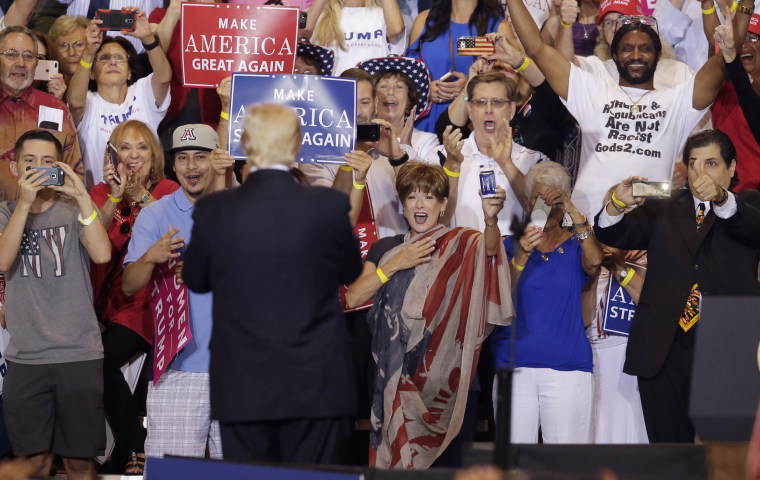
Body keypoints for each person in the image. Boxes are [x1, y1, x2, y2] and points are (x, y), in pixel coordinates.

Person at [182, 104, 363, 465]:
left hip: (242, 386)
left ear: (245, 145)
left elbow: (195, 281)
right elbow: (349, 270)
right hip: (318, 384)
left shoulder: (215, 209)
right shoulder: (329, 205)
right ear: (296, 147)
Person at [595, 129, 760, 442]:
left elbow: (751, 227)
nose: (701, 173)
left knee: (724, 454)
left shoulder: (749, 204)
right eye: (694, 164)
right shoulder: (665, 206)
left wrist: (722, 199)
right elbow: (612, 235)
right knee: (668, 453)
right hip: (664, 348)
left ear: (732, 167)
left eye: (711, 164)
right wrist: (618, 202)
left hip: (727, 347)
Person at [345, 162, 513, 468]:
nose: (420, 204)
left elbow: (489, 251)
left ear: (443, 204)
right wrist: (396, 263)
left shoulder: (463, 242)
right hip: (397, 382)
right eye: (412, 197)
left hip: (450, 387)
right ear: (402, 203)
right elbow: (354, 296)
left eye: (428, 197)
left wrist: (491, 221)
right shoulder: (387, 248)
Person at [506, 0, 737, 219]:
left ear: (657, 55)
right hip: (587, 221)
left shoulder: (675, 97)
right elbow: (536, 49)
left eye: (644, 48)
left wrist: (736, 16)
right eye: (627, 48)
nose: (636, 55)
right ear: (615, 55)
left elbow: (721, 60)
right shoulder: (592, 87)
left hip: (650, 224)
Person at [0, 129, 111, 480]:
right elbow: (2, 262)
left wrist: (82, 198)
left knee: (79, 464)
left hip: (78, 353)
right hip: (26, 357)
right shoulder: (5, 212)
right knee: (33, 465)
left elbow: (102, 254)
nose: (38, 168)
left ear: (60, 167)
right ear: (15, 167)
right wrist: (24, 203)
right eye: (29, 161)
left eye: (48, 162)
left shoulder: (75, 210)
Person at [121, 123, 223, 464]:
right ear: (173, 164)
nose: (192, 167)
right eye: (183, 158)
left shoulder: (240, 210)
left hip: (239, 369)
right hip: (177, 369)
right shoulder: (155, 213)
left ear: (217, 160)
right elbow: (130, 284)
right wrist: (151, 256)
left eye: (200, 157)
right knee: (173, 475)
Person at [88, 119, 179, 474]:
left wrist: (140, 194)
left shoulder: (170, 188)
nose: (133, 156)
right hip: (110, 301)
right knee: (98, 363)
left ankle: (134, 449)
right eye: (124, 148)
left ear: (154, 158)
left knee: (112, 362)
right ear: (112, 157)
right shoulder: (99, 193)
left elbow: (174, 228)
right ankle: (127, 449)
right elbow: (92, 240)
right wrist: (115, 195)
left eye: (142, 148)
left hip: (155, 298)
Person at [491, 161, 602, 444]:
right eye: (541, 199)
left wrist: (574, 212)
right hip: (513, 370)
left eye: (555, 200)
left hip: (568, 371)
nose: (548, 207)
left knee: (565, 469)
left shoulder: (578, 246)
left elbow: (595, 263)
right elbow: (500, 300)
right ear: (528, 203)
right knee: (512, 467)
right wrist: (522, 257)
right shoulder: (508, 246)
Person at [68, 9, 171, 189]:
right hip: (101, 200)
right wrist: (88, 53)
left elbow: (163, 77)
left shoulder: (141, 92)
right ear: (91, 73)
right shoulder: (89, 102)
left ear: (130, 71)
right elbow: (75, 104)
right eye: (104, 58)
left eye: (119, 58)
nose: (112, 62)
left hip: (147, 195)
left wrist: (147, 38)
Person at [447, 71, 545, 235]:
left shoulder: (536, 161)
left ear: (511, 109)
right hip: (461, 257)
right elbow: (434, 223)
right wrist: (452, 166)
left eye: (497, 102)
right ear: (470, 110)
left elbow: (543, 217)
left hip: (515, 259)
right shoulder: (446, 157)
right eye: (481, 102)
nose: (489, 110)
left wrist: (507, 164)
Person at [406, 0, 514, 133]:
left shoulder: (499, 28)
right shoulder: (424, 20)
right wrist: (425, 90)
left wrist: (471, 86)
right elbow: (406, 78)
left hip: (472, 130)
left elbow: (511, 86)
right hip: (422, 129)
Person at [0, 25, 82, 201]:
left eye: (29, 56)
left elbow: (74, 173)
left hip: (44, 221)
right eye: (11, 54)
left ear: (37, 63)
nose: (21, 63)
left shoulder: (56, 108)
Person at [357, 56, 440, 162]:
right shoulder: (358, 140)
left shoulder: (426, 141)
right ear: (373, 99)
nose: (391, 92)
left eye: (399, 87)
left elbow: (424, 178)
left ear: (409, 99)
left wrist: (406, 147)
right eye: (383, 86)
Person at [712, 11, 760, 190]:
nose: (745, 45)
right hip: (728, 195)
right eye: (741, 39)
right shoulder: (722, 85)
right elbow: (714, 44)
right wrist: (708, 6)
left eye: (753, 38)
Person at [309, 0, 405, 76]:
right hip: (330, 94)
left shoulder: (382, 15)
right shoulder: (318, 16)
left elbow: (396, 30)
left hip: (371, 95)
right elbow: (300, 35)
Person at [48, 15, 89, 86]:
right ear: (53, 49)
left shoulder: (101, 83)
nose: (71, 53)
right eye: (63, 46)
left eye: (78, 44)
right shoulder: (44, 85)